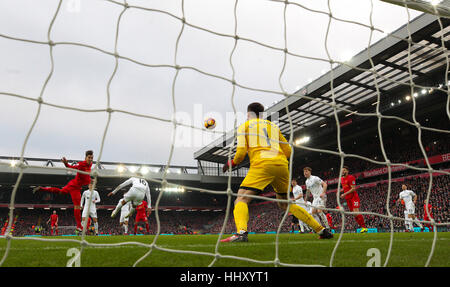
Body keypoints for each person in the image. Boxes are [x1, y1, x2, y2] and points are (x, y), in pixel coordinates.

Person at [220, 102, 332, 242]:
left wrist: (231, 163)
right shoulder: (272, 126)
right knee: (285, 204)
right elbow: (288, 151)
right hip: (281, 165)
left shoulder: (245, 126)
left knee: (241, 199)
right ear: (262, 114)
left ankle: (241, 233)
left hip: (262, 164)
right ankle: (321, 230)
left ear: (249, 114)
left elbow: (241, 152)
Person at [33, 150, 94, 234]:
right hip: (75, 187)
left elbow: (85, 177)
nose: (90, 159)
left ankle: (42, 188)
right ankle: (79, 226)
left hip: (73, 184)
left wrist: (90, 179)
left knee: (60, 192)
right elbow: (71, 168)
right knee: (77, 207)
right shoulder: (81, 164)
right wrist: (66, 164)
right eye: (89, 157)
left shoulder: (90, 165)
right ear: (85, 158)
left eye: (91, 158)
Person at [339, 166, 368, 233]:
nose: (343, 172)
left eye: (344, 170)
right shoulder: (341, 179)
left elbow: (353, 188)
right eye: (342, 170)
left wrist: (344, 194)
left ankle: (364, 227)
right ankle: (362, 227)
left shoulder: (351, 177)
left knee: (356, 211)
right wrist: (341, 190)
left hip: (353, 197)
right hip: (348, 198)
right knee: (354, 214)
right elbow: (346, 187)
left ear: (347, 171)